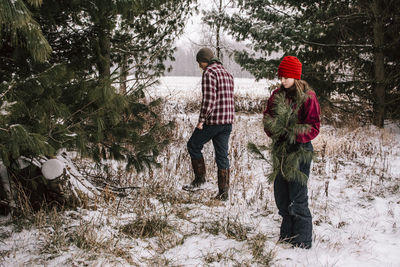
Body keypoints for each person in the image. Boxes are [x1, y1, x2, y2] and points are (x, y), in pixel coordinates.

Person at [263, 56, 320, 249]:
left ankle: (303, 239)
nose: (283, 80)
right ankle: (287, 234)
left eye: (287, 76)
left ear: (296, 76)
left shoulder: (308, 97)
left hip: (300, 150)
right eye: (281, 76)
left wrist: (293, 134)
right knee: (281, 195)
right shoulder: (276, 95)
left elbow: (313, 126)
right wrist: (275, 130)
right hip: (280, 150)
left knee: (298, 196)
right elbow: (268, 117)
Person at [184, 47, 235, 201]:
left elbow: (209, 99)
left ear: (203, 61)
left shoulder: (209, 73)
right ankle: (223, 193)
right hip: (227, 122)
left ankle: (200, 181)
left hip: (213, 121)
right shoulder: (227, 73)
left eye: (200, 62)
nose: (200, 66)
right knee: (222, 155)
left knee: (193, 145)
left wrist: (201, 120)